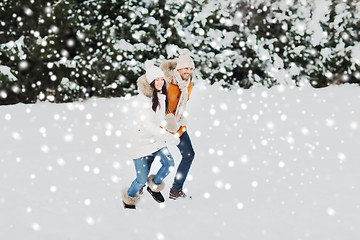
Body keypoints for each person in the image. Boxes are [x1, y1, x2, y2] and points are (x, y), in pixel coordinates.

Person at [122, 61, 179, 209]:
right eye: (157, 80)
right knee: (141, 179)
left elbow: (158, 118)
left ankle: (154, 186)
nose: (160, 82)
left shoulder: (160, 95)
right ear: (150, 81)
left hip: (155, 140)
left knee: (169, 163)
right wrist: (167, 136)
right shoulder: (143, 99)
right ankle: (129, 199)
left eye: (161, 79)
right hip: (140, 142)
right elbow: (148, 124)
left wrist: (171, 123)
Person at [148, 48, 196, 200]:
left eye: (191, 68)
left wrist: (175, 120)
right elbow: (158, 101)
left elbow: (182, 104)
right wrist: (166, 118)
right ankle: (141, 186)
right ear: (179, 68)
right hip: (163, 123)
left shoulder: (188, 84)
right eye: (186, 68)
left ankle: (176, 190)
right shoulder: (167, 81)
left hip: (178, 124)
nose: (188, 71)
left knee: (189, 154)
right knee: (150, 154)